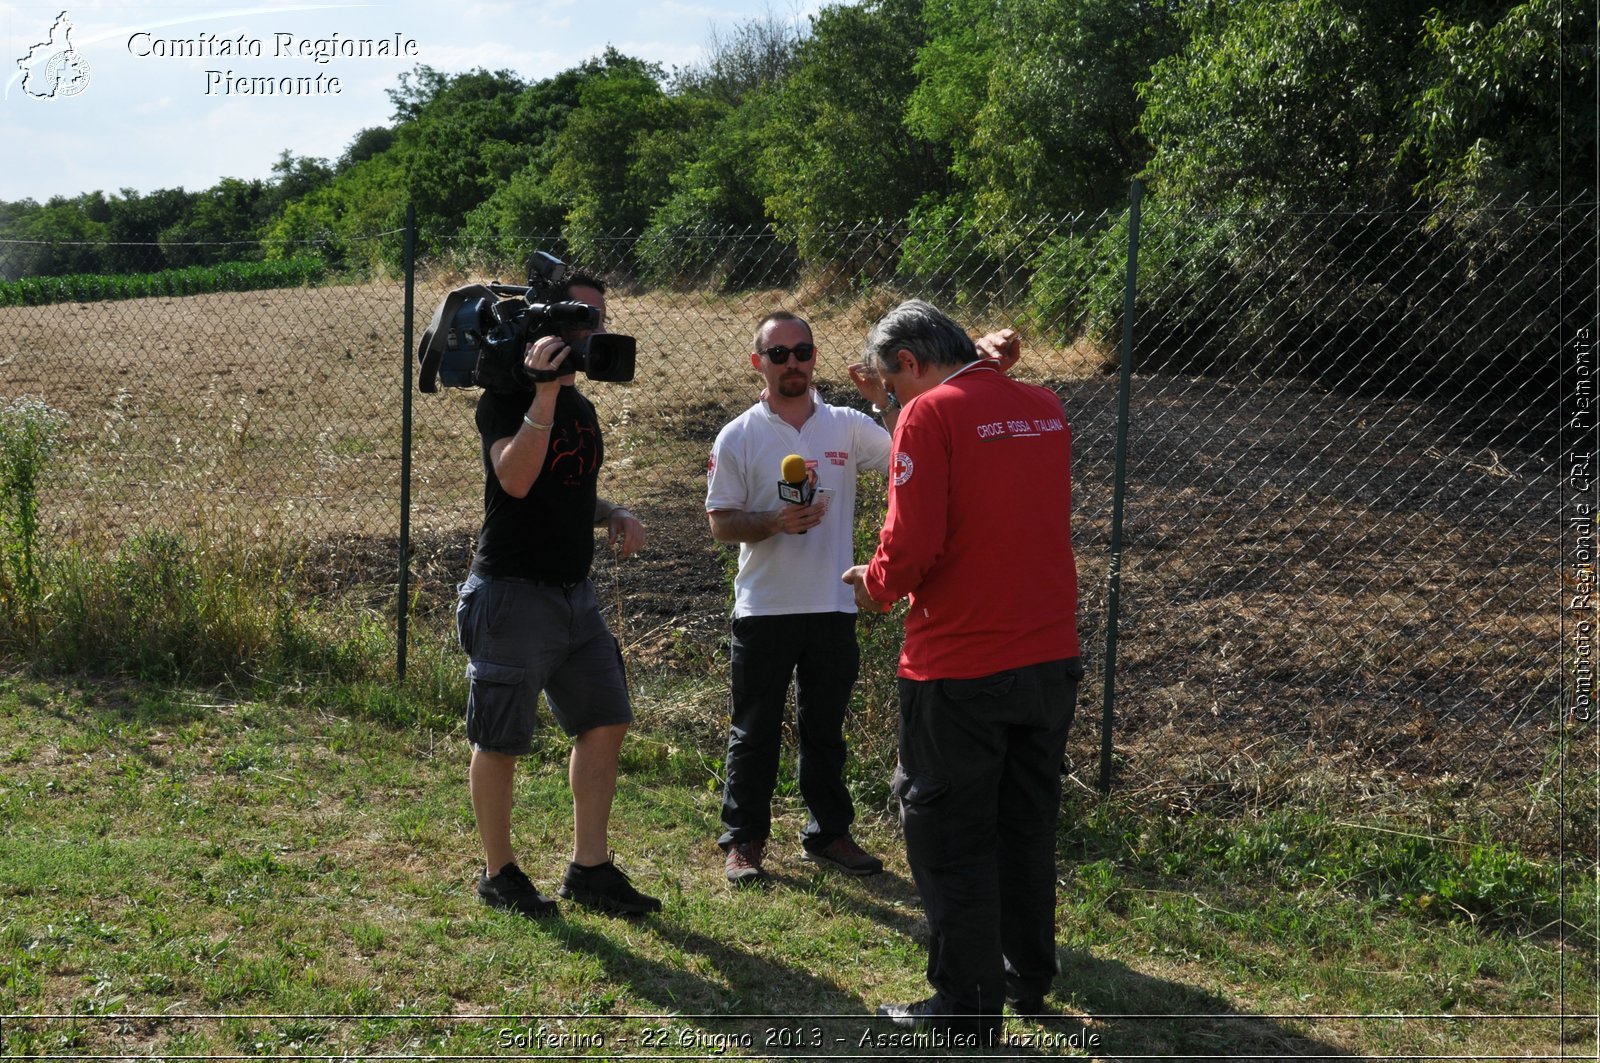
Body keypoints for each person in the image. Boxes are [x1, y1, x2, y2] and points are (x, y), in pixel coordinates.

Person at [842, 300, 1082, 1039]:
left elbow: (913, 543)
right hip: (1047, 653)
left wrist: (874, 585)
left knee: (949, 833)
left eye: (886, 387)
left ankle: (965, 1007)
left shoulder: (927, 415)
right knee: (1025, 822)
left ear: (909, 363)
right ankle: (1026, 975)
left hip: (960, 662)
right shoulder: (1041, 404)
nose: (887, 403)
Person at [455, 269, 661, 918]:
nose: (591, 332)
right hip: (513, 593)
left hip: (576, 596)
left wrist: (612, 512)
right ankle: (499, 872)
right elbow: (515, 480)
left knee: (605, 718)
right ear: (546, 326)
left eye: (597, 319)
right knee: (500, 737)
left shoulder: (582, 407)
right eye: (579, 319)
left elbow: (564, 486)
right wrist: (541, 395)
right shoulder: (504, 399)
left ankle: (590, 867)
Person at [704, 311, 899, 885]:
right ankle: (744, 841)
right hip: (764, 606)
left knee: (825, 728)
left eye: (803, 351)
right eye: (779, 353)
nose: (793, 363)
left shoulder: (844, 424)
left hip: (832, 604)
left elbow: (906, 453)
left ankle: (828, 833)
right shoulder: (739, 434)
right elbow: (721, 523)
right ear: (757, 363)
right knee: (755, 729)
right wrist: (773, 522)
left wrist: (882, 398)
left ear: (814, 357)